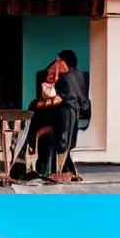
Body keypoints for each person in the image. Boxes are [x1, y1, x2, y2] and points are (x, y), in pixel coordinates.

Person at [25, 50, 88, 180]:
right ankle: (46, 166)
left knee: (64, 113)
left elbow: (67, 98)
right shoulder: (54, 75)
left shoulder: (70, 77)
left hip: (64, 114)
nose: (56, 62)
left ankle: (61, 165)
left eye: (59, 60)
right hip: (52, 114)